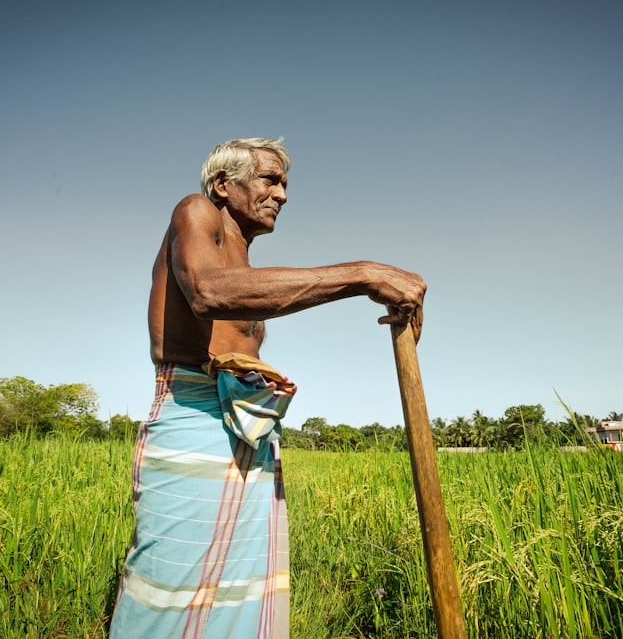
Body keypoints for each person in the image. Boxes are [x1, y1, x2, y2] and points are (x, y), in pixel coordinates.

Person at [110, 138, 426, 638]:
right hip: (193, 417)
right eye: (269, 180)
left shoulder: (244, 260)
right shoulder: (195, 213)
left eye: (284, 184)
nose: (281, 194)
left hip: (247, 429)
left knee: (241, 588)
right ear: (222, 185)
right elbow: (208, 293)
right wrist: (361, 275)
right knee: (170, 589)